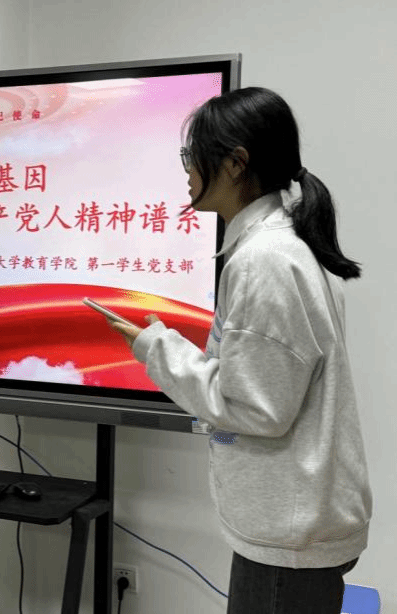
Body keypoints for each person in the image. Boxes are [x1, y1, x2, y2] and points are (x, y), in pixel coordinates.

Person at [109, 87, 372, 614]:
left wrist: (155, 348)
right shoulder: (282, 245)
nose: (187, 171)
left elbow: (256, 407)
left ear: (235, 163)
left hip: (288, 538)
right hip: (295, 525)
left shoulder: (264, 260)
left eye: (193, 155)